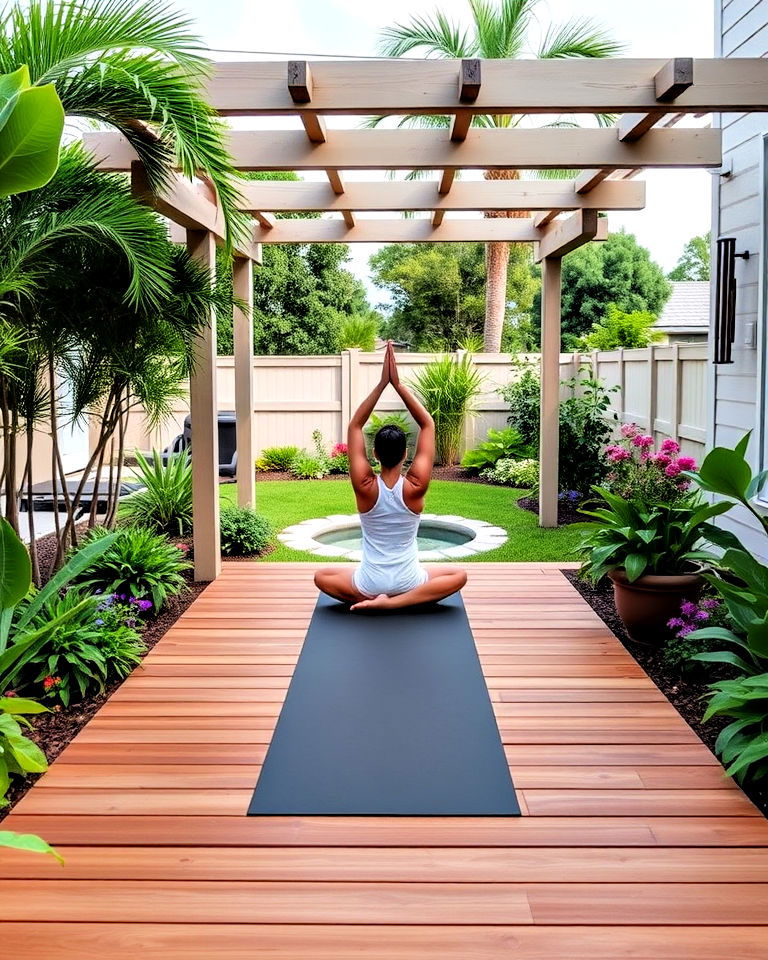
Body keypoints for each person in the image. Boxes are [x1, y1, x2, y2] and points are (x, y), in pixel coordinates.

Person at [314, 342, 467, 611]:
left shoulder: (365, 486)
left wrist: (381, 383)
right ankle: (398, 603)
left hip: (369, 582)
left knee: (321, 577)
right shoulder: (415, 486)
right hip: (410, 581)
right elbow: (427, 424)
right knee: (459, 576)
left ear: (374, 453)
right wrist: (398, 385)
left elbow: (355, 425)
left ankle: (374, 600)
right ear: (406, 453)